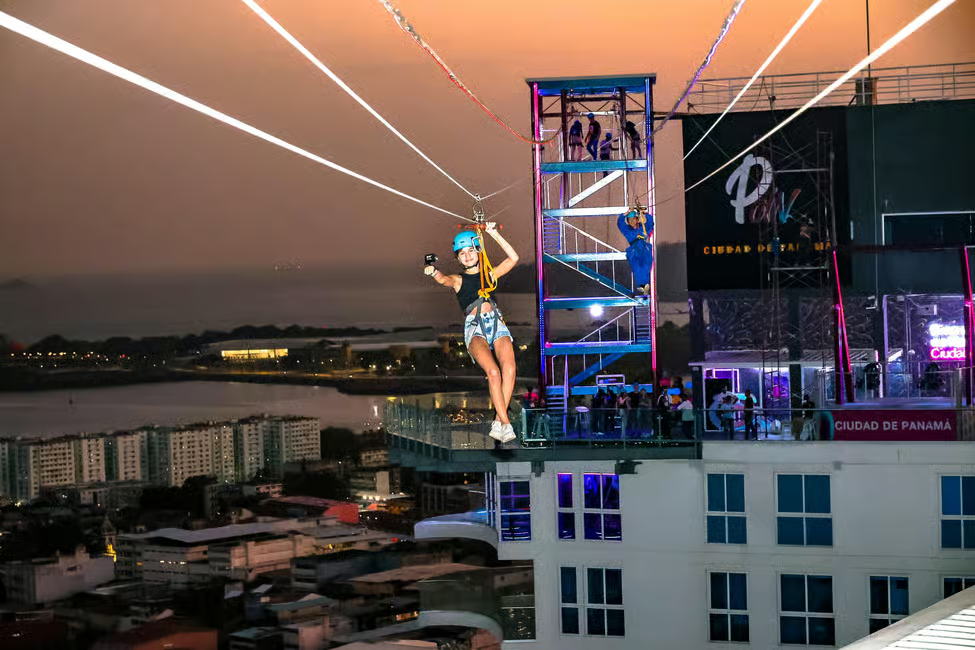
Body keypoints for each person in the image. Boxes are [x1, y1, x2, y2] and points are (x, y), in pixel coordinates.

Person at [424, 223, 519, 443]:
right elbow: (444, 279)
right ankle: (505, 423)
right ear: (458, 257)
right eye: (462, 253)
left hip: (497, 323)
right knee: (493, 372)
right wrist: (433, 270)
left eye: (470, 251)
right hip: (475, 328)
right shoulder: (458, 280)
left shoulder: (489, 275)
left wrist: (494, 234)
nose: (467, 256)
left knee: (510, 369)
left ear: (478, 251)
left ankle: (499, 422)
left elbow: (513, 258)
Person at [617, 208, 654, 297]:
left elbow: (650, 223)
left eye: (633, 219)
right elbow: (620, 223)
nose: (632, 221)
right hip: (634, 250)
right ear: (628, 221)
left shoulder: (643, 228)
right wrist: (625, 214)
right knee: (637, 268)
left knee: (646, 267)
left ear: (637, 219)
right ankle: (641, 286)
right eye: (630, 220)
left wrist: (645, 213)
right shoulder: (627, 230)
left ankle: (645, 285)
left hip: (644, 249)